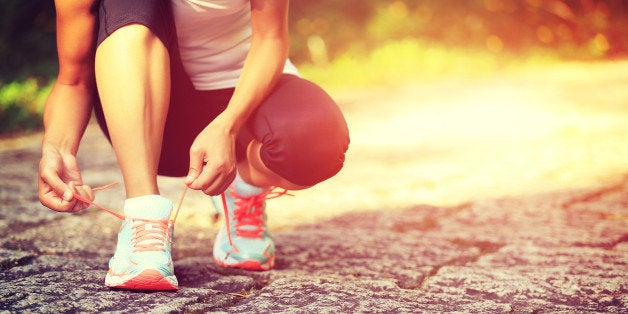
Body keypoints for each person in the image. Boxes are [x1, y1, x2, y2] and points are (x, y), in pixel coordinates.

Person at [38, 0, 350, 291]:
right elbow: (73, 80)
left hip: (242, 97)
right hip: (155, 116)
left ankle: (242, 186)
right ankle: (144, 217)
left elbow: (271, 39)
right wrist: (57, 148)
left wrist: (228, 126)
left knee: (317, 142)